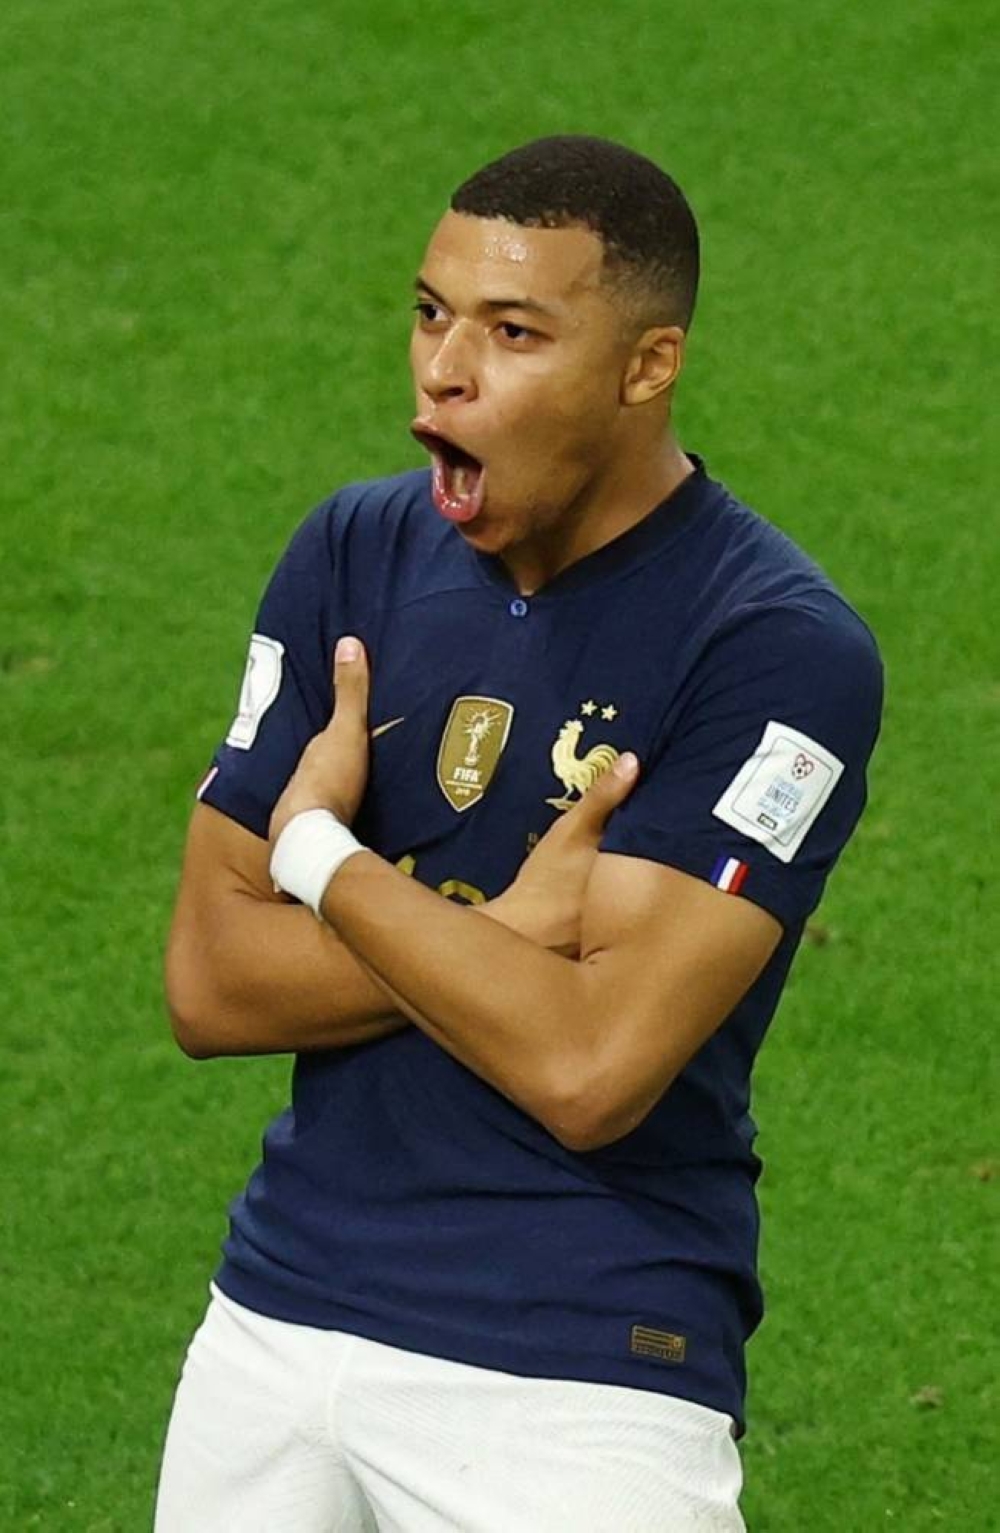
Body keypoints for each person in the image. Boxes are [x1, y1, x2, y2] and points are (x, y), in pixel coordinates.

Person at [155, 136, 882, 1531]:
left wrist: (317, 858)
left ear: (645, 365)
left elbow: (590, 1061)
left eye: (513, 331)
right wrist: (498, 935)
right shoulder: (354, 554)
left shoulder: (775, 649)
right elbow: (209, 981)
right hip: (277, 1324)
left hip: (577, 1373)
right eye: (431, 313)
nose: (445, 369)